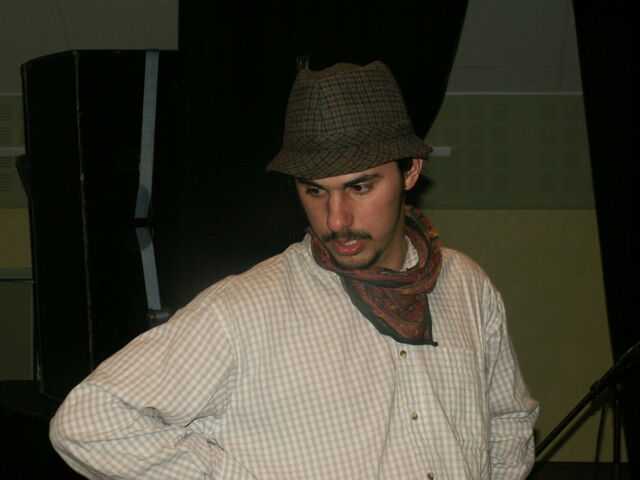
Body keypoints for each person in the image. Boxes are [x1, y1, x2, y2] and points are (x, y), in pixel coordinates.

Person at [50, 61, 538, 479]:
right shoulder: (243, 310)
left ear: (409, 171)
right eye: (314, 190)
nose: (336, 220)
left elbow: (509, 419)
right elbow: (88, 421)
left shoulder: (467, 286)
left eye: (360, 187)